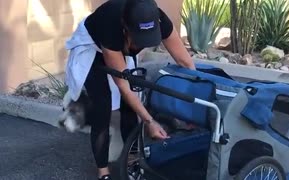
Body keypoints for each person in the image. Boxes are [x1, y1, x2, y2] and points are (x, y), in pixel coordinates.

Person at [64, 0, 195, 179]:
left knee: (129, 110)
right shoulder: (110, 27)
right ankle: (103, 172)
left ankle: (132, 161)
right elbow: (123, 86)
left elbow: (186, 62)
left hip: (120, 46)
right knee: (102, 107)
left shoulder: (160, 20)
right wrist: (149, 122)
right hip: (93, 50)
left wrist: (193, 108)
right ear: (126, 28)